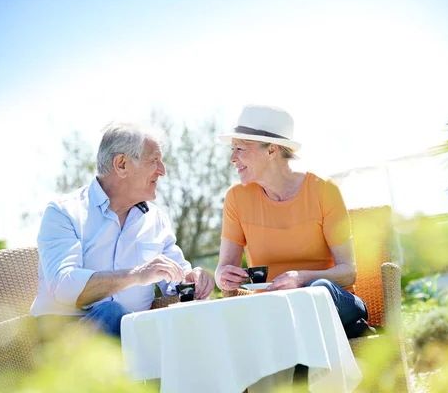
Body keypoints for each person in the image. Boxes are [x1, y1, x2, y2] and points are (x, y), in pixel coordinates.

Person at [30, 122, 214, 339]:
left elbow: (177, 279)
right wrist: (137, 275)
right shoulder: (63, 212)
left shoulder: (156, 219)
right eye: (154, 161)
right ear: (122, 164)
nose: (162, 171)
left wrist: (194, 280)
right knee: (113, 313)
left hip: (134, 333)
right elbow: (65, 288)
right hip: (66, 340)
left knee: (196, 317)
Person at [215, 105, 371, 339]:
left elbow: (348, 272)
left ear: (272, 150)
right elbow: (222, 271)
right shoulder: (236, 198)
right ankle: (334, 347)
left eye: (240, 149)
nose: (232, 158)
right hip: (275, 311)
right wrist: (223, 278)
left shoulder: (323, 190)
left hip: (333, 302)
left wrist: (301, 279)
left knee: (318, 291)